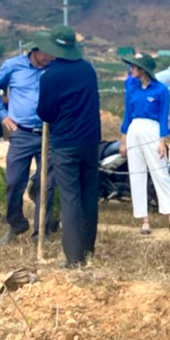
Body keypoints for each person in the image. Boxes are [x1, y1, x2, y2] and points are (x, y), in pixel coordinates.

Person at [36, 26, 102, 268]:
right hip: (91, 142)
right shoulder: (88, 70)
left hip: (65, 143)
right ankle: (88, 248)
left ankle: (74, 258)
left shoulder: (50, 76)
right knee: (88, 195)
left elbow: (45, 112)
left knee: (70, 198)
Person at [0, 41, 56, 246]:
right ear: (34, 50)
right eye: (45, 52)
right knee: (14, 181)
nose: (48, 57)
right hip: (21, 133)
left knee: (47, 185)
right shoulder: (13, 66)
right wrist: (3, 116)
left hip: (49, 133)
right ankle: (16, 224)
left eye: (52, 54)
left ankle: (41, 233)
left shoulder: (55, 69)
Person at [121, 53, 170, 235]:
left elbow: (164, 116)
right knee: (137, 174)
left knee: (160, 173)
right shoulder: (132, 89)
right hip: (134, 130)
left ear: (142, 69)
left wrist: (163, 140)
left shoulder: (161, 90)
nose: (131, 69)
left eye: (134, 66)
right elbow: (127, 114)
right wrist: (123, 139)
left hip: (152, 130)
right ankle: (144, 220)